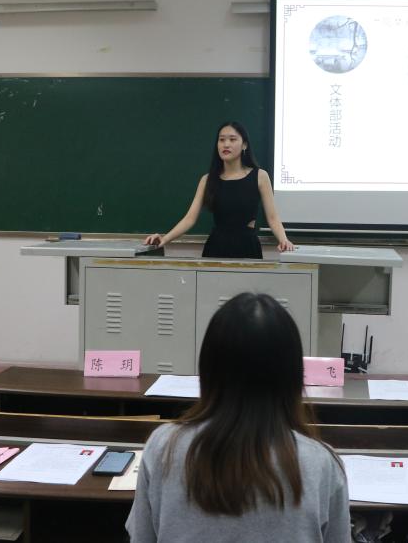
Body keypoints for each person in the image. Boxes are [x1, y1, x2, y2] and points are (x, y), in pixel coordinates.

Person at [126, 292, 350, 543]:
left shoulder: (163, 447)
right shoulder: (322, 463)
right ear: (293, 376)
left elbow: (141, 538)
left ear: (208, 368)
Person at [145, 121, 295, 258]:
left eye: (232, 139)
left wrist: (284, 240)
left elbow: (273, 218)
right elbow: (189, 219)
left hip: (247, 246)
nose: (226, 144)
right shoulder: (207, 180)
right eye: (222, 140)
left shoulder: (260, 176)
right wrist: (164, 239)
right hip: (216, 247)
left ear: (244, 145)